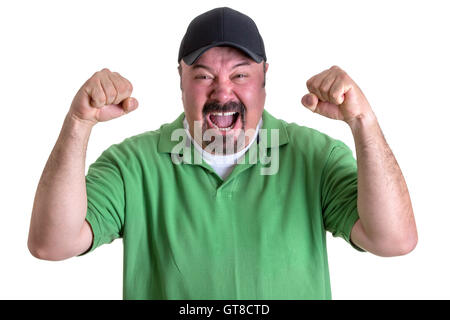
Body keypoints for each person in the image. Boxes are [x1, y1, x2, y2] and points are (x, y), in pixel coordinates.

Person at [27, 7, 418, 299]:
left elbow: (393, 240)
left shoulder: (315, 157)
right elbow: (51, 244)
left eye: (240, 74)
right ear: (180, 79)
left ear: (265, 78)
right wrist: (78, 123)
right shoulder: (133, 164)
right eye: (203, 76)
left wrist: (363, 122)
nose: (222, 92)